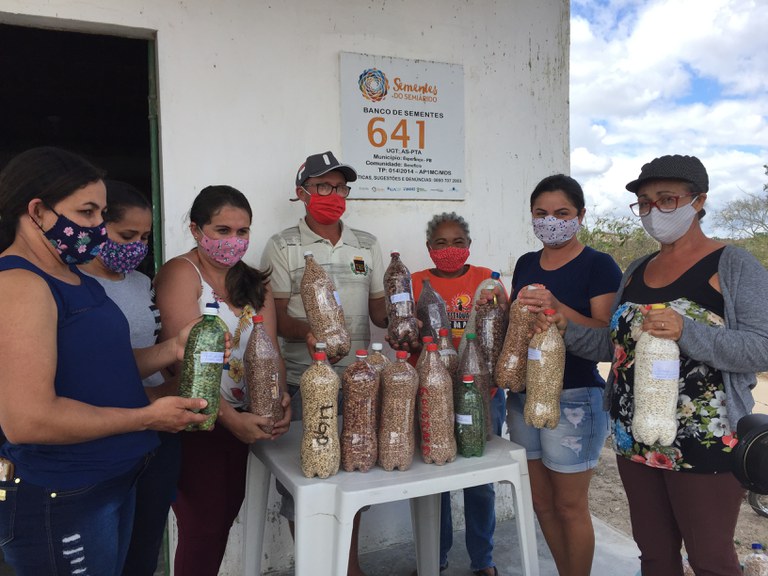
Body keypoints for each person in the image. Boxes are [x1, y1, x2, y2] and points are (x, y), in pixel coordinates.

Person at [544, 155, 768, 575]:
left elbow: (762, 347)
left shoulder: (734, 265)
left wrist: (687, 331)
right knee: (654, 554)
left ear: (698, 201)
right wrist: (564, 327)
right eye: (644, 203)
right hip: (635, 437)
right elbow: (615, 347)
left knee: (711, 560)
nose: (653, 212)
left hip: (705, 442)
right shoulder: (637, 269)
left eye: (666, 200)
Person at [0, 147, 208, 575]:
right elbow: (28, 420)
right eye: (88, 212)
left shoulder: (72, 276)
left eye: (101, 213)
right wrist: (148, 417)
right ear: (37, 211)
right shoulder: (20, 284)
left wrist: (172, 349)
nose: (98, 226)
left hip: (111, 477)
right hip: (64, 492)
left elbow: (104, 366)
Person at [260, 151, 390, 576]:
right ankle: (318, 568)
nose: (334, 195)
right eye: (323, 187)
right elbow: (273, 315)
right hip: (303, 381)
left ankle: (349, 569)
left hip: (359, 380)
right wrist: (309, 334)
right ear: (302, 193)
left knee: (354, 475)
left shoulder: (367, 245)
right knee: (308, 488)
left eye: (340, 187)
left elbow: (379, 314)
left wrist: (411, 312)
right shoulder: (282, 246)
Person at [153, 185, 291, 576]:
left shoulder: (253, 282)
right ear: (197, 230)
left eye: (242, 231)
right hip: (197, 421)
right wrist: (233, 421)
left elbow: (271, 351)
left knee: (222, 518)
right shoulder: (181, 274)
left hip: (244, 419)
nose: (234, 241)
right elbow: (185, 368)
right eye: (222, 230)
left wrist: (279, 398)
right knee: (203, 526)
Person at [506, 174, 622, 576]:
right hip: (523, 396)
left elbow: (607, 336)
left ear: (581, 215)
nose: (550, 221)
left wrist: (557, 307)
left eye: (562, 213)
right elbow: (517, 325)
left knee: (570, 505)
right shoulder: (524, 263)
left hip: (575, 397)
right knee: (541, 502)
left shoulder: (599, 265)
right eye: (541, 214)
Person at [79, 180, 178, 576]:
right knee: (104, 549)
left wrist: (176, 386)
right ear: (98, 226)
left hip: (158, 431)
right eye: (127, 235)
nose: (137, 245)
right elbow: (88, 368)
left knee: (146, 539)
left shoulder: (142, 283)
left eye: (145, 236)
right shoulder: (73, 286)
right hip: (104, 430)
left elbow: (155, 346)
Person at [410, 212, 506, 576]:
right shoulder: (416, 282)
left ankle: (483, 560)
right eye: (441, 243)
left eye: (458, 242)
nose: (450, 249)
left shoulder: (487, 280)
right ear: (429, 248)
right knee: (435, 477)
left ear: (469, 246)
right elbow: (399, 323)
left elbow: (501, 327)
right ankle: (435, 557)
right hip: (431, 389)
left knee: (480, 478)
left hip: (482, 391)